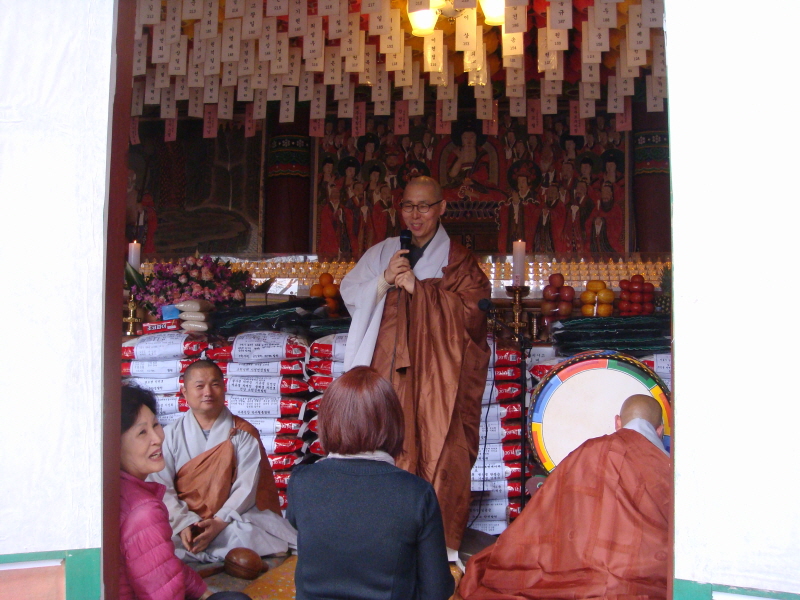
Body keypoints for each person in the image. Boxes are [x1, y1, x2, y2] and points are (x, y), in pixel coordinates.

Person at [340, 176, 490, 556]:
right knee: (383, 442)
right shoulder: (383, 252)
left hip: (438, 379)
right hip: (386, 369)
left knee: (444, 446)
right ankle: (382, 539)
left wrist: (419, 291)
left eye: (424, 206)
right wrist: (384, 280)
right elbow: (349, 291)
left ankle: (436, 547)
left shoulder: (459, 260)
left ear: (441, 208)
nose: (415, 215)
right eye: (408, 206)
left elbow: (473, 314)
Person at [457, 394, 671, 600]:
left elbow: (547, 509)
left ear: (617, 422)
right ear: (660, 430)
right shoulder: (668, 467)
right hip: (644, 576)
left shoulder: (588, 451)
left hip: (579, 571)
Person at [287, 367, 455, 600]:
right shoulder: (417, 493)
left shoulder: (301, 482)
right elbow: (437, 590)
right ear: (394, 423)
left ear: (327, 421)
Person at [149, 361, 297, 563]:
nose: (208, 392)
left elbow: (246, 488)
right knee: (156, 539)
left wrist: (219, 522)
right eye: (199, 386)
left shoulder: (243, 433)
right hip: (185, 522)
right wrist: (183, 523)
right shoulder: (170, 435)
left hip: (229, 521)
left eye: (215, 384)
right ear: (184, 392)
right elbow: (161, 487)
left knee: (246, 535)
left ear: (224, 387)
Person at [119, 386, 253, 600]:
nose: (157, 438)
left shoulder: (118, 488)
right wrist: (184, 522)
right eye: (142, 432)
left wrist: (203, 593)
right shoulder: (145, 512)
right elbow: (165, 594)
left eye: (156, 425)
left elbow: (164, 564)